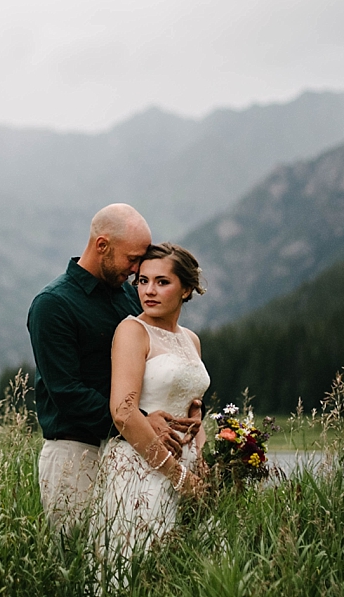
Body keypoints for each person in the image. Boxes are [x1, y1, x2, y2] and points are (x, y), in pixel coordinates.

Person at [27, 204, 201, 535]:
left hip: (134, 454)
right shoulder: (53, 304)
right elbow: (66, 393)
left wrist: (186, 405)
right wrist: (140, 420)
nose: (138, 271)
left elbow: (158, 360)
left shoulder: (131, 296)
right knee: (76, 558)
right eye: (133, 259)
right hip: (76, 453)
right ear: (102, 245)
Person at [94, 242, 209, 575]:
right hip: (141, 464)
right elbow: (122, 412)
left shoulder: (192, 339)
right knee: (138, 567)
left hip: (188, 467)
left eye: (162, 282)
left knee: (187, 570)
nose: (149, 290)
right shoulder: (132, 331)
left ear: (186, 288)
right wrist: (178, 476)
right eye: (142, 281)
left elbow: (193, 410)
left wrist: (203, 458)